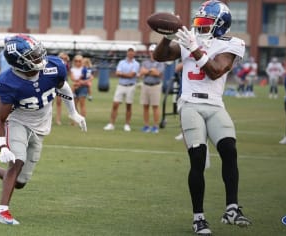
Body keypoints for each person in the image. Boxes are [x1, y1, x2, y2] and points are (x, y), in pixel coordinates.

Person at [152, 1, 251, 234]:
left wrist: (195, 48)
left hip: (215, 104)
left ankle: (232, 208)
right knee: (198, 158)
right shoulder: (190, 40)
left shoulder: (233, 43)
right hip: (190, 104)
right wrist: (168, 36)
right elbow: (159, 57)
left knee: (230, 150)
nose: (200, 27)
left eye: (206, 23)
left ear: (221, 25)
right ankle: (198, 217)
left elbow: (216, 71)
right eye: (199, 22)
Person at [0, 34, 87, 225]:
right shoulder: (8, 81)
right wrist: (3, 147)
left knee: (20, 182)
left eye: (38, 52)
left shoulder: (54, 66)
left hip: (40, 126)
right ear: (19, 62)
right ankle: (1, 212)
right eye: (33, 55)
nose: (40, 57)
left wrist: (73, 112)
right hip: (18, 122)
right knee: (17, 161)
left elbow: (62, 87)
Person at [103, 46, 140, 131]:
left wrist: (122, 74)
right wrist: (127, 75)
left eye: (132, 51)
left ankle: (127, 124)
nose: (130, 53)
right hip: (121, 85)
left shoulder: (136, 64)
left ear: (134, 53)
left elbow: (132, 75)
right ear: (127, 52)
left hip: (130, 86)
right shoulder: (121, 62)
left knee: (128, 106)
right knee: (115, 104)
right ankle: (111, 124)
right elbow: (117, 73)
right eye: (129, 51)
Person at [139, 44, 165, 133]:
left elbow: (157, 73)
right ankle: (146, 126)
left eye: (153, 51)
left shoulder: (160, 62)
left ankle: (155, 126)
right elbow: (141, 72)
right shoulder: (145, 62)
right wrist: (151, 70)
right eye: (151, 51)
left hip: (155, 86)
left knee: (155, 106)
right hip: (145, 85)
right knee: (145, 106)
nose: (152, 53)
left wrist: (147, 71)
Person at [56, 52, 70, 125]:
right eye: (62, 58)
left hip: (62, 85)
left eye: (65, 59)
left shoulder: (66, 66)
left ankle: (58, 119)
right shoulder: (56, 64)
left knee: (60, 102)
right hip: (54, 84)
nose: (63, 60)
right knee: (51, 102)